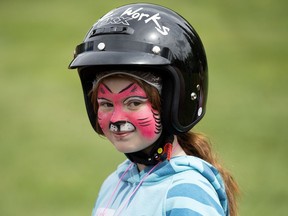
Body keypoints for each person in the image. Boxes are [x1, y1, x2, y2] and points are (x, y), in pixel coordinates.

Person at [68, 3, 239, 216]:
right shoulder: (114, 184)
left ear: (172, 105)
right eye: (106, 104)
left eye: (134, 103)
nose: (117, 118)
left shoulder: (187, 192)